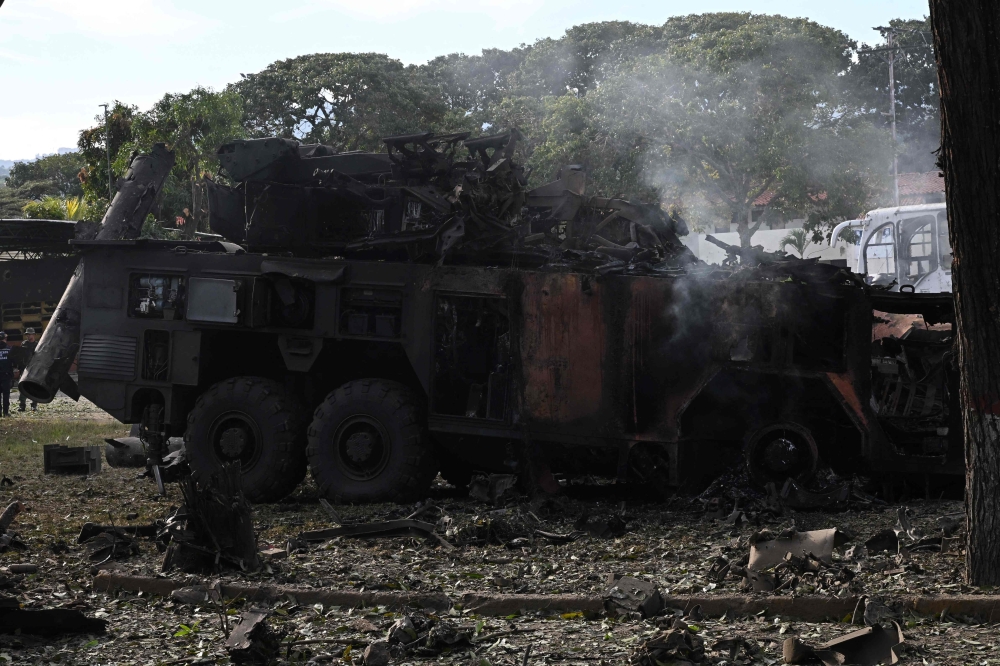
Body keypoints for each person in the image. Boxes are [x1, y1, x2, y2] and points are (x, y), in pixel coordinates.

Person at [17, 327, 37, 412]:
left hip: (34, 369)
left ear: (33, 335)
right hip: (24, 368)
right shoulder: (24, 343)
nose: (28, 336)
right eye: (27, 334)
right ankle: (22, 405)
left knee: (34, 387)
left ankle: (34, 405)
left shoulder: (37, 345)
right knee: (23, 387)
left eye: (30, 334)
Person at [0, 332, 12, 417]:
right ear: (5, 339)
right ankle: (6, 412)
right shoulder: (9, 349)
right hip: (6, 375)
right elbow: (14, 362)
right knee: (6, 394)